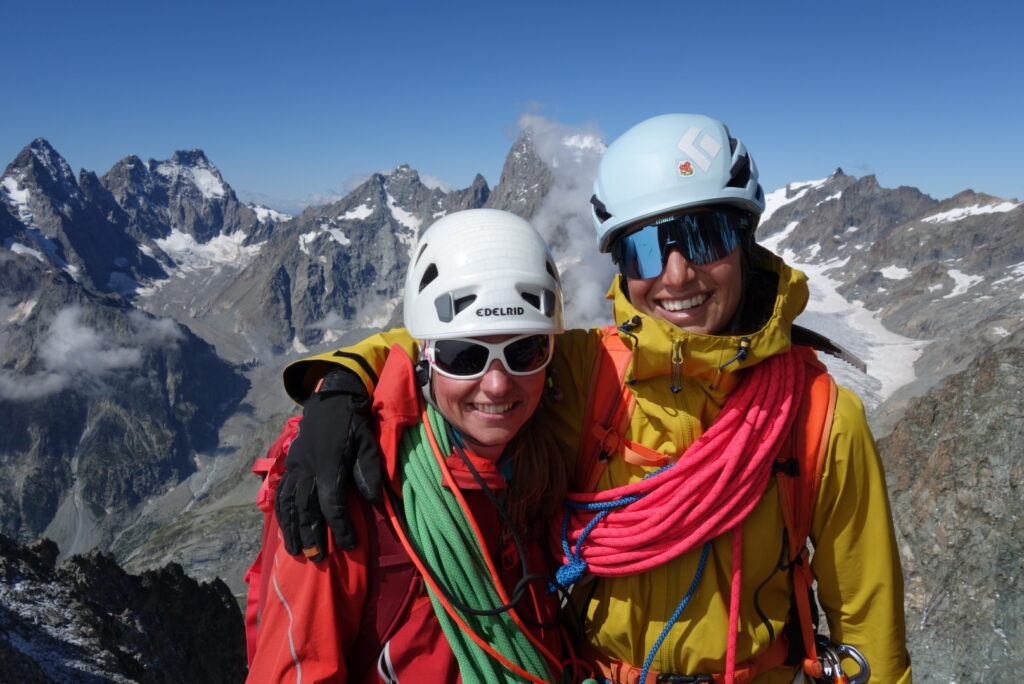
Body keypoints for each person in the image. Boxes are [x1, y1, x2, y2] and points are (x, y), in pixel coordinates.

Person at [276, 114, 912, 683]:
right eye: (643, 247)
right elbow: (460, 341)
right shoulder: (585, 369)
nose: (676, 274)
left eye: (704, 235)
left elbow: (868, 625)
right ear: (620, 264)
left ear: (744, 240)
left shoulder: (821, 418)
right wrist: (340, 384)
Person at [248, 209, 577, 683]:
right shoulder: (350, 490)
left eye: (525, 350)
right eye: (464, 356)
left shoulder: (545, 455)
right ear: (426, 361)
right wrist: (336, 384)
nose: (498, 384)